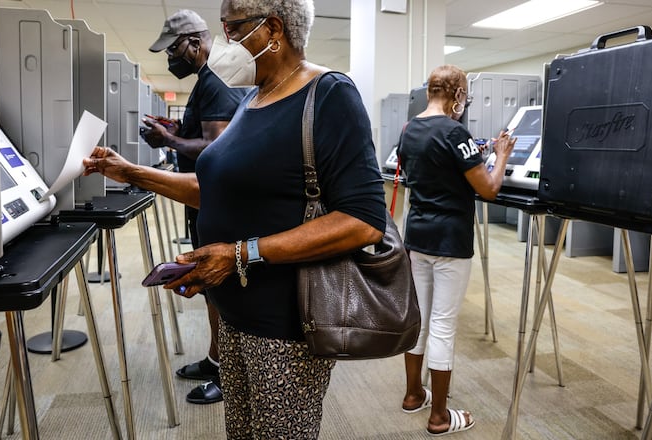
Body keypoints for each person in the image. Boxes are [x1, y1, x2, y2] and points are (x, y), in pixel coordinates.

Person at [84, 0, 386, 437]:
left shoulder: (329, 93)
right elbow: (218, 187)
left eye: (232, 27)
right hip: (234, 311)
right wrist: (129, 171)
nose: (222, 40)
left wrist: (239, 253)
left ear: (272, 29)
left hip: (284, 324)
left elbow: (363, 219)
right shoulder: (252, 98)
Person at [397, 64, 516, 436]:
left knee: (419, 320)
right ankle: (440, 417)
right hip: (450, 240)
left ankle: (414, 395)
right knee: (444, 326)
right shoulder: (456, 132)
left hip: (417, 237)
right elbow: (489, 189)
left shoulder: (408, 129)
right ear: (458, 95)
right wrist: (501, 155)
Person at [145, 9, 248, 405]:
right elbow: (205, 135)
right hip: (203, 199)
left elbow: (218, 149)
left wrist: (170, 143)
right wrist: (175, 133)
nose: (171, 59)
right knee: (209, 289)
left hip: (218, 200)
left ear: (194, 42)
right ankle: (214, 358)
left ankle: (229, 375)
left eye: (174, 50)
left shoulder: (217, 79)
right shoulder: (209, 78)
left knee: (220, 287)